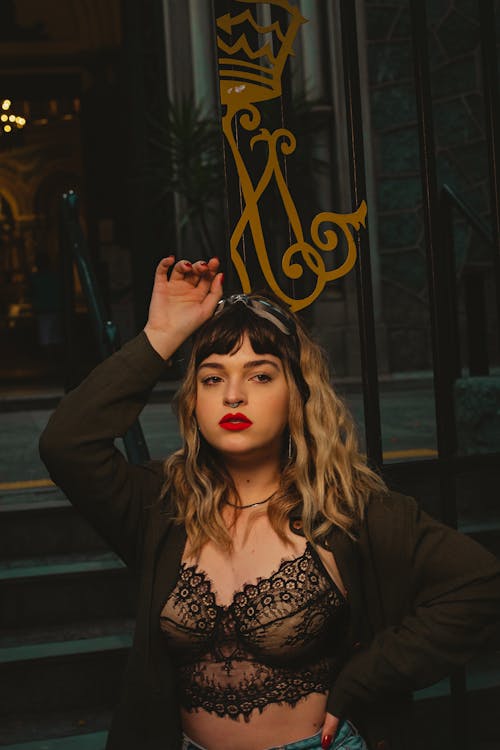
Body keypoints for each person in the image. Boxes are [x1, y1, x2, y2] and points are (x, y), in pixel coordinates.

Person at [40, 257, 500, 750]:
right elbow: (67, 444)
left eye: (260, 376)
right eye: (213, 378)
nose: (233, 395)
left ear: (296, 394)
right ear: (193, 399)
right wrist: (161, 335)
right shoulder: (160, 504)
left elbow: (479, 585)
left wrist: (366, 677)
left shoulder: (348, 510)